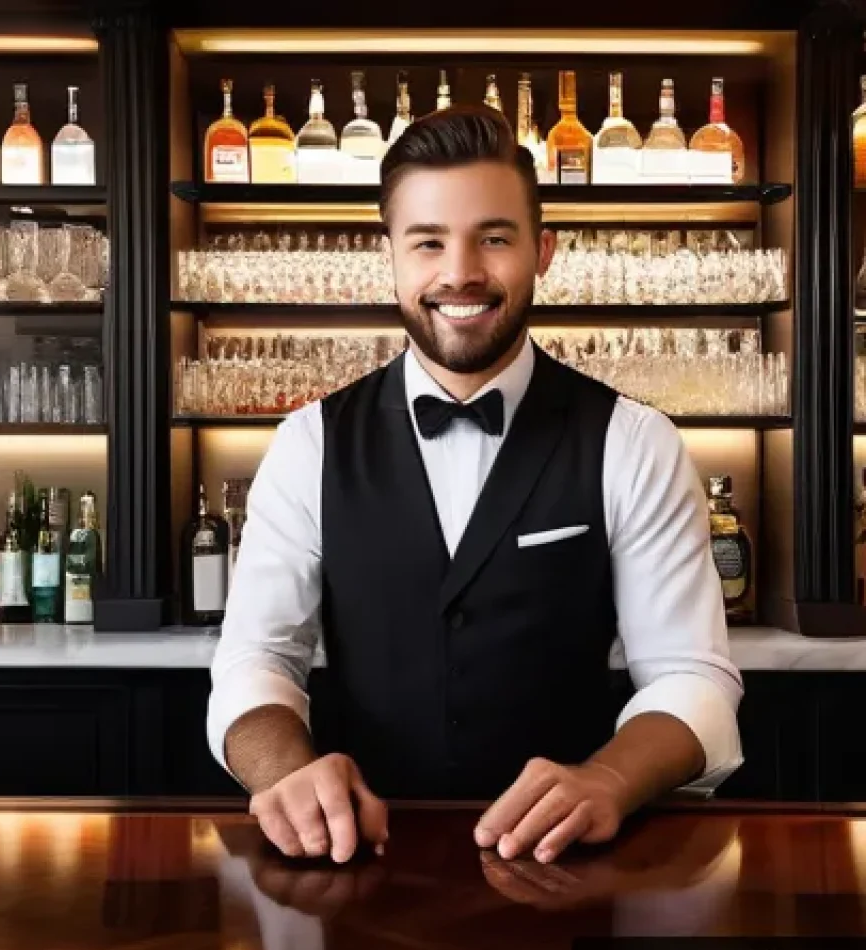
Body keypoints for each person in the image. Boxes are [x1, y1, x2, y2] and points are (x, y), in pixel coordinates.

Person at [207, 104, 743, 867]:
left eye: (494, 238)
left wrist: (608, 780)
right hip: (358, 862)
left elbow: (694, 677)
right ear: (388, 255)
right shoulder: (307, 445)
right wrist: (285, 774)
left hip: (569, 866)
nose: (460, 272)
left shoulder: (632, 441)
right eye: (428, 242)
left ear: (544, 251)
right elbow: (255, 661)